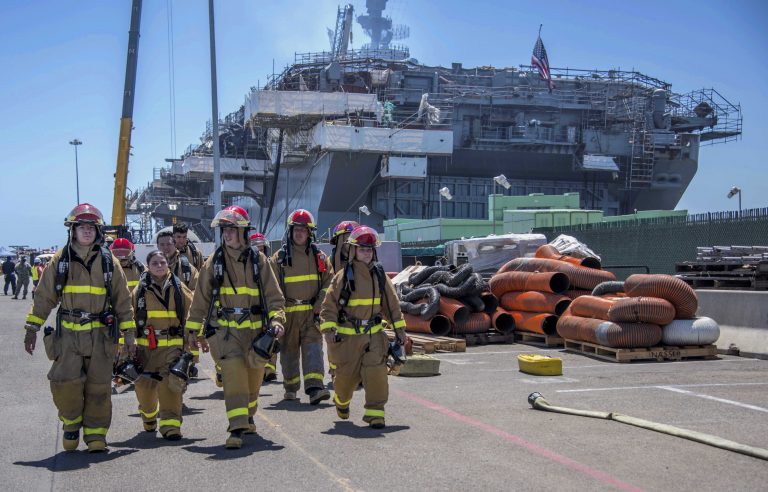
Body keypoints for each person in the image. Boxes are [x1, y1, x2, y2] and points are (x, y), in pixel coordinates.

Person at [23, 203, 136, 452]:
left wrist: (129, 334)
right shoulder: (59, 261)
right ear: (72, 230)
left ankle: (96, 436)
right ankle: (71, 424)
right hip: (69, 334)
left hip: (101, 335)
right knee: (65, 382)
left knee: (99, 386)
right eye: (81, 227)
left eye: (91, 227)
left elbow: (122, 300)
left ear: (98, 231)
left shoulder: (109, 262)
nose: (86, 231)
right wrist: (32, 328)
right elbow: (43, 297)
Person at [186, 205, 286, 449]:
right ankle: (237, 426)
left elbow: (274, 297)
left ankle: (248, 413)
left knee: (253, 381)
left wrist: (277, 320)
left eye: (231, 229)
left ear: (243, 231)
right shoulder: (214, 263)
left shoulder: (258, 261)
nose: (227, 234)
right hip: (225, 334)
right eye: (224, 230)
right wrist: (192, 330)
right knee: (234, 376)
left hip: (256, 334)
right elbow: (200, 299)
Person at [320, 226, 406, 429]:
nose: (366, 253)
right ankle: (341, 402)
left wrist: (400, 329)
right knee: (345, 380)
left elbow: (392, 304)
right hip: (347, 340)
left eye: (369, 249)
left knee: (376, 373)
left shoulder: (380, 275)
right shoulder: (342, 277)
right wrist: (328, 329)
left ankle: (375, 414)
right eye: (362, 249)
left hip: (374, 336)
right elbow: (329, 305)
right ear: (353, 251)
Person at [272, 209, 333, 405]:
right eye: (296, 229)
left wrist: (319, 304)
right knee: (288, 353)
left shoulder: (320, 258)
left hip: (310, 313)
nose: (299, 233)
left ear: (310, 233)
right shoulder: (279, 259)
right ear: (290, 231)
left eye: (303, 230)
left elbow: (329, 283)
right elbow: (272, 287)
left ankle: (315, 388)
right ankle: (290, 388)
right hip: (288, 314)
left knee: (313, 349)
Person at [131, 250, 193, 440]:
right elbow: (128, 316)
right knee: (145, 388)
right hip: (146, 349)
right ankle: (148, 416)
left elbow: (193, 310)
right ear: (148, 267)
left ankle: (171, 426)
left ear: (168, 264)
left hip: (172, 347)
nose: (159, 266)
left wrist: (194, 338)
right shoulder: (139, 290)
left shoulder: (178, 286)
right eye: (155, 263)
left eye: (162, 262)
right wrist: (127, 343)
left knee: (170, 384)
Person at [250, 232, 278, 383]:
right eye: (256, 248)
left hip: (269, 305)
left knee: (270, 336)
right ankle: (259, 369)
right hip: (255, 307)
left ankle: (270, 369)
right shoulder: (247, 264)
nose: (259, 251)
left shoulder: (270, 263)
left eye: (261, 248)